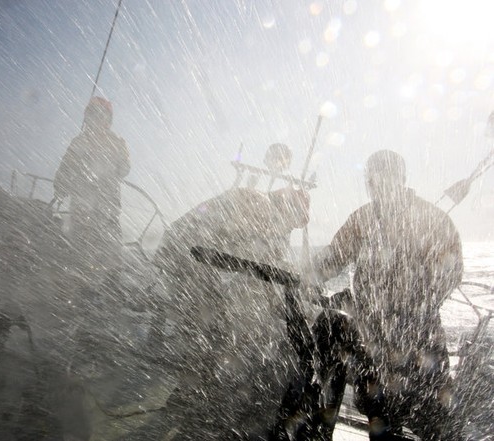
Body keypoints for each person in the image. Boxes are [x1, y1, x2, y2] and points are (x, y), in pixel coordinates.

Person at [154, 143, 309, 439]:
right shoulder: (254, 204)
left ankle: (194, 396)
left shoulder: (264, 203)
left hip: (205, 259)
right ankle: (194, 397)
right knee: (214, 330)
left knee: (217, 332)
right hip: (200, 261)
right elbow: (203, 234)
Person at [310, 150, 464, 440]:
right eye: (373, 181)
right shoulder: (363, 219)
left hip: (419, 338)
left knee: (433, 418)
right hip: (374, 337)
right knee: (380, 415)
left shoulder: (430, 219)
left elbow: (451, 271)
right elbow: (332, 258)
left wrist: (411, 308)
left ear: (400, 179)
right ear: (369, 182)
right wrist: (307, 276)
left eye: (385, 178)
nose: (378, 186)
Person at [52, 97, 130, 282]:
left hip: (108, 204)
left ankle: (112, 283)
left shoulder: (118, 142)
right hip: (82, 203)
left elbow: (125, 168)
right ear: (87, 117)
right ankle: (78, 281)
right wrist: (60, 187)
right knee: (80, 243)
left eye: (100, 114)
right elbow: (65, 168)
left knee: (110, 246)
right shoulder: (78, 142)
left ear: (108, 119)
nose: (96, 118)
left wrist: (106, 168)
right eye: (92, 114)